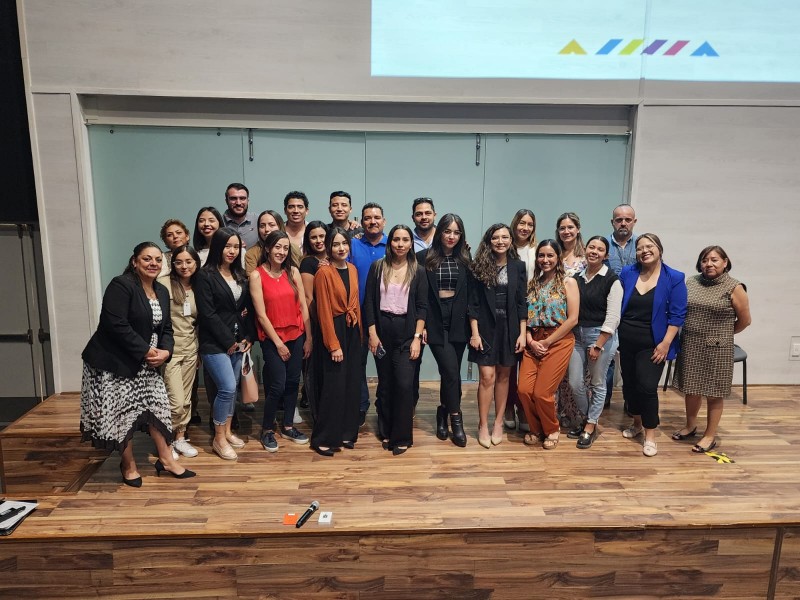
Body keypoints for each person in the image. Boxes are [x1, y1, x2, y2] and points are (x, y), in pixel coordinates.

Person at [80, 241, 194, 487]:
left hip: (148, 361)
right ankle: (128, 464)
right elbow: (115, 324)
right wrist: (146, 350)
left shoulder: (161, 290)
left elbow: (166, 328)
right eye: (147, 259)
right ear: (134, 262)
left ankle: (166, 459)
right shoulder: (121, 285)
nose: (153, 263)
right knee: (122, 414)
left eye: (157, 260)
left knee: (158, 408)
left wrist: (166, 352)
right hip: (115, 363)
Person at [672, 246, 751, 453]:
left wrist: (723, 334)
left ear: (725, 262)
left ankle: (709, 435)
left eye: (714, 260)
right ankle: (690, 426)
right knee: (691, 388)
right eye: (705, 260)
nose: (709, 264)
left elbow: (745, 320)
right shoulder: (692, 282)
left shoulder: (734, 287)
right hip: (690, 343)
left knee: (714, 393)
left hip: (717, 349)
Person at [618, 233, 687, 457]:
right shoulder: (628, 273)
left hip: (655, 344)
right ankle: (637, 424)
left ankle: (650, 434)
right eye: (640, 248)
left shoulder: (674, 277)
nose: (644, 251)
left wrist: (666, 343)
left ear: (659, 249)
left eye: (649, 246)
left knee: (647, 387)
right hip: (626, 340)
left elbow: (677, 315)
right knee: (630, 385)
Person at [364, 224, 427, 455]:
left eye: (405, 240)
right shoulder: (378, 267)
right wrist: (372, 334)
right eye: (396, 239)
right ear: (389, 242)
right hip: (382, 331)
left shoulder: (418, 270)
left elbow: (422, 307)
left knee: (404, 384)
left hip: (407, 333)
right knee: (386, 384)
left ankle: (402, 437)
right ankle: (387, 430)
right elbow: (369, 302)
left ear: (411, 244)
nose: (400, 244)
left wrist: (417, 338)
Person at [195, 227, 255, 461]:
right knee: (227, 388)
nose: (232, 251)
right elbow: (208, 314)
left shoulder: (239, 274)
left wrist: (248, 336)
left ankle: (228, 431)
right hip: (214, 343)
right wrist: (228, 341)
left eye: (236, 246)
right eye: (227, 246)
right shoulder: (205, 275)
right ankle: (218, 438)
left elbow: (245, 310)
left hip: (238, 342)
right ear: (218, 247)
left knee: (232, 390)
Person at [249, 231, 311, 452]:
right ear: (267, 248)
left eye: (285, 248)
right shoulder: (256, 275)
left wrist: (309, 338)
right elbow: (261, 315)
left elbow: (303, 306)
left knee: (293, 382)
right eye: (277, 247)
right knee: (278, 385)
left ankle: (287, 426)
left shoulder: (293, 271)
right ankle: (267, 429)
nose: (281, 252)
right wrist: (278, 343)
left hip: (297, 335)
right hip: (272, 339)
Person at [467, 224, 527, 449]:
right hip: (485, 328)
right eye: (495, 237)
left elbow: (522, 302)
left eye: (505, 237)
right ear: (488, 241)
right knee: (487, 377)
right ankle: (483, 424)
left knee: (504, 376)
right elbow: (472, 303)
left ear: (511, 240)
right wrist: (474, 333)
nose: (500, 241)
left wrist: (522, 333)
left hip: (510, 329)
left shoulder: (518, 267)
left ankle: (499, 422)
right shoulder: (478, 265)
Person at [517, 240, 579, 450]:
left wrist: (547, 341)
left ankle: (552, 429)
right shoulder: (532, 284)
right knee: (524, 390)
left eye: (550, 255)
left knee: (542, 392)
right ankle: (536, 429)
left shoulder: (568, 282)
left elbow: (573, 319)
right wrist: (529, 339)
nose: (545, 260)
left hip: (558, 340)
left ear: (558, 258)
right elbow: (524, 316)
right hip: (533, 340)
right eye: (541, 255)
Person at [418, 214, 470, 447]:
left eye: (456, 232)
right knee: (450, 371)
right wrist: (422, 324)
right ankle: (456, 420)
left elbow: (470, 294)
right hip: (435, 319)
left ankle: (442, 412)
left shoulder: (465, 259)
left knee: (452, 373)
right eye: (447, 231)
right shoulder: (423, 258)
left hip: (459, 321)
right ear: (439, 232)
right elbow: (419, 295)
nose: (451, 236)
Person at [308, 227, 362, 456]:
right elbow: (323, 311)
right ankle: (323, 438)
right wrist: (333, 344)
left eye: (344, 243)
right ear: (328, 247)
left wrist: (359, 335)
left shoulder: (352, 269)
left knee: (351, 384)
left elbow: (355, 303)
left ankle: (346, 433)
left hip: (352, 330)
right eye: (336, 244)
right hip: (334, 330)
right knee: (334, 386)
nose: (341, 248)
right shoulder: (323, 273)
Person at [566, 236, 622, 449]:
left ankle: (589, 425)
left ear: (606, 255)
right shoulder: (577, 278)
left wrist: (599, 344)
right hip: (577, 335)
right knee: (575, 383)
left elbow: (613, 316)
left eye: (600, 249)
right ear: (585, 249)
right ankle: (587, 418)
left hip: (600, 336)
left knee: (597, 383)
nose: (594, 252)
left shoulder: (612, 280)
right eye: (591, 247)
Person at [158, 245, 202, 458]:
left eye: (189, 261)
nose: (184, 266)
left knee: (186, 400)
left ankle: (180, 439)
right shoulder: (163, 284)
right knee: (174, 402)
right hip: (170, 351)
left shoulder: (199, 285)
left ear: (196, 263)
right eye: (179, 262)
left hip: (191, 349)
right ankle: (165, 441)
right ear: (172, 264)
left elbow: (200, 321)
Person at [349, 202, 388, 425]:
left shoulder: (393, 245)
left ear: (384, 221)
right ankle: (361, 405)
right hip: (358, 317)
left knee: (386, 367)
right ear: (361, 222)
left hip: (387, 318)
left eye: (376, 217)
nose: (372, 221)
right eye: (367, 218)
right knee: (358, 365)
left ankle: (384, 406)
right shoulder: (352, 245)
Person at [504, 208, 537, 432]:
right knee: (508, 364)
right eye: (521, 223)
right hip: (508, 312)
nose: (525, 228)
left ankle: (524, 407)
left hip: (533, 311)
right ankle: (508, 405)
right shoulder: (504, 247)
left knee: (527, 363)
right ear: (514, 224)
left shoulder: (536, 250)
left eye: (529, 224)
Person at [605, 204, 638, 408]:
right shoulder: (602, 245)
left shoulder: (643, 245)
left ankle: (630, 401)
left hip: (634, 310)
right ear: (613, 222)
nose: (623, 223)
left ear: (634, 221)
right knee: (607, 356)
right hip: (607, 309)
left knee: (630, 357)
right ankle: (604, 398)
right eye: (619, 220)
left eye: (627, 219)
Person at [245, 210, 298, 276]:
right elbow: (252, 279)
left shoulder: (294, 249)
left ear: (280, 226)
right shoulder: (252, 254)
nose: (266, 229)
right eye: (262, 226)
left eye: (271, 225)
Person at [300, 221, 329, 307]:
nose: (318, 241)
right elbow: (308, 298)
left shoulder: (335, 259)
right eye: (313, 237)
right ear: (308, 241)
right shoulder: (307, 263)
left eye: (322, 236)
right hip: (320, 312)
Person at [222, 183, 258, 250]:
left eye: (242, 198)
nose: (238, 203)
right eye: (233, 198)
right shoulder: (219, 222)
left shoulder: (257, 220)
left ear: (248, 201)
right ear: (226, 201)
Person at [556, 212, 587, 277]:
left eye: (570, 227)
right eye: (562, 228)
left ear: (578, 229)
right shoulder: (554, 254)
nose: (566, 232)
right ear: (558, 231)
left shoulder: (586, 254)